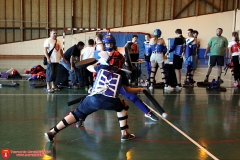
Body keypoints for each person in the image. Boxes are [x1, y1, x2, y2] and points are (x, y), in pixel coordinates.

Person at [44, 34, 146, 142]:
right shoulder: (121, 74)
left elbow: (89, 67)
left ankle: (53, 132)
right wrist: (141, 89)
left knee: (76, 113)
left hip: (94, 99)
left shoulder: (100, 67)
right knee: (122, 108)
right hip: (111, 101)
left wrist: (92, 64)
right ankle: (124, 134)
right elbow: (128, 90)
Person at [44, 29, 66, 93]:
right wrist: (48, 58)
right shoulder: (48, 40)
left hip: (57, 60)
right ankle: (48, 87)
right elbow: (45, 50)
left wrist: (63, 57)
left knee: (55, 73)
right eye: (54, 33)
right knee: (50, 73)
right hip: (51, 60)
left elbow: (61, 50)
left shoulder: (58, 41)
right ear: (50, 34)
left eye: (56, 33)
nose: (55, 34)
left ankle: (54, 86)